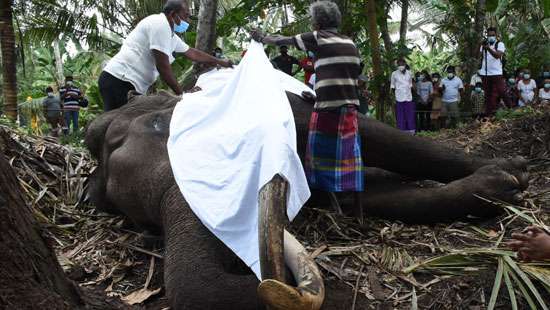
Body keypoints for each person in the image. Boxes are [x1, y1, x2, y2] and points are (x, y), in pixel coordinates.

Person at [251, 1, 364, 222]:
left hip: (327, 111)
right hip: (349, 109)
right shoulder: (350, 42)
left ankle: (334, 209)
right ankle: (358, 213)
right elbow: (351, 73)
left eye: (313, 19)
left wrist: (261, 37)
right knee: (351, 161)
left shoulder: (318, 37)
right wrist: (319, 94)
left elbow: (281, 41)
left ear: (319, 22)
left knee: (319, 160)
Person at [98, 0, 232, 111]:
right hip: (119, 80)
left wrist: (221, 62)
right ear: (173, 14)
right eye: (185, 16)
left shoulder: (170, 33)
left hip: (128, 83)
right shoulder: (160, 25)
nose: (187, 21)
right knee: (118, 129)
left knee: (121, 128)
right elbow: (163, 66)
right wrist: (182, 94)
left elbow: (192, 53)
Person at [479, 27, 506, 116]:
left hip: (497, 73)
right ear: (487, 35)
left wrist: (489, 49)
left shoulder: (500, 44)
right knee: (488, 95)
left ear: (496, 35)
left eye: (493, 35)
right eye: (489, 35)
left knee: (502, 91)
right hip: (485, 73)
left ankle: (510, 108)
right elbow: (480, 56)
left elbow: (497, 55)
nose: (491, 37)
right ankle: (488, 114)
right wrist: (481, 45)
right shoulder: (484, 45)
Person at [390, 59, 415, 134]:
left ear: (405, 64)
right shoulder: (394, 74)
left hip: (408, 97)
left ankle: (411, 131)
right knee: (400, 116)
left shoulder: (409, 73)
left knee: (410, 115)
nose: (400, 66)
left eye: (402, 64)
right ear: (397, 65)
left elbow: (410, 85)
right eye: (399, 64)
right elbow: (392, 86)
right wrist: (394, 97)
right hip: (399, 98)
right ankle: (401, 132)